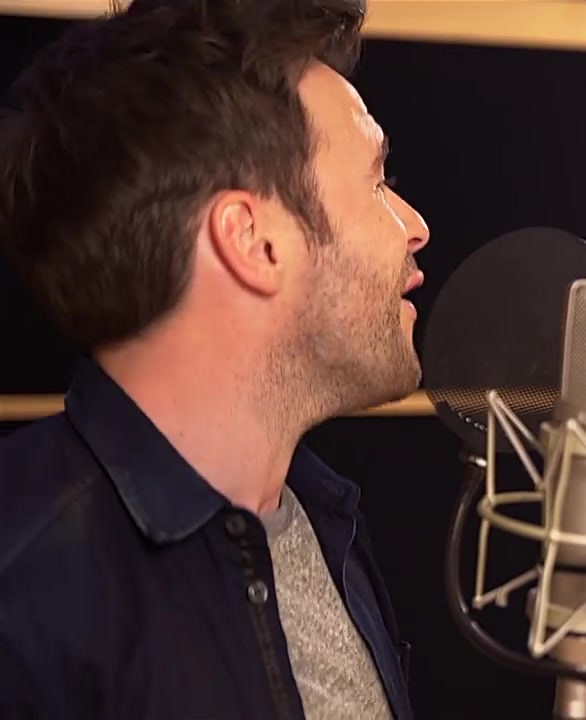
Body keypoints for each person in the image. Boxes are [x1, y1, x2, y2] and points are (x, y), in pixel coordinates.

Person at [0, 0, 429, 717]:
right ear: (253, 242)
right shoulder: (23, 595)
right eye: (378, 181)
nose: (415, 226)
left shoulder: (323, 519)